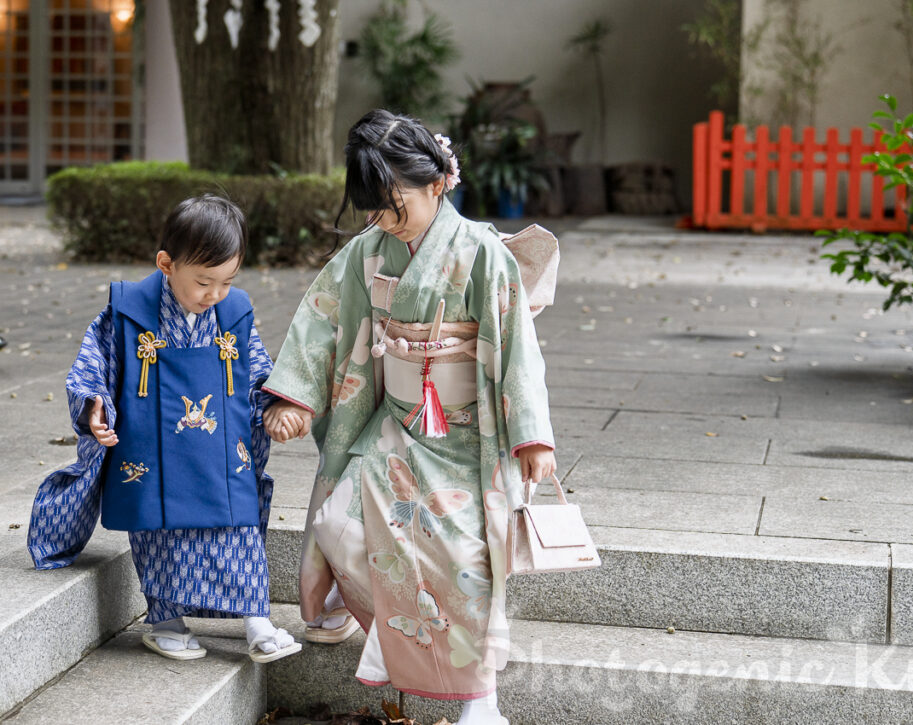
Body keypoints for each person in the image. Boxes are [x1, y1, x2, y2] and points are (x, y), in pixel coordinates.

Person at [262, 109, 557, 725]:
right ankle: (360, 612)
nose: (383, 222)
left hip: (466, 435)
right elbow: (322, 319)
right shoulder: (368, 251)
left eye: (394, 207)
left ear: (438, 183)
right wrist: (294, 397)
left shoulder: (481, 253)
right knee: (337, 524)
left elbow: (517, 351)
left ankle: (480, 702)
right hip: (397, 425)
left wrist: (531, 435)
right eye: (374, 209)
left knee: (464, 561)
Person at [27, 195, 300, 663]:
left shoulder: (234, 314)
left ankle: (258, 621)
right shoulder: (129, 311)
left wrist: (276, 404)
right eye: (203, 281)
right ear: (166, 264)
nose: (214, 294)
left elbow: (258, 373)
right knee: (162, 536)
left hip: (220, 452)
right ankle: (165, 620)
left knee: (238, 531)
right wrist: (95, 407)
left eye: (227, 281)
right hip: (152, 454)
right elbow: (94, 367)